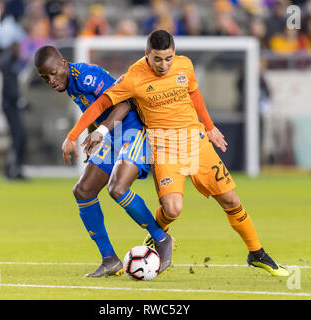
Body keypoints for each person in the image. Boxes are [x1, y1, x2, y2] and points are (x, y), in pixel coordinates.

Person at [62, 30, 289, 277]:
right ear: (147, 54)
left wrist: (210, 127)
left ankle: (257, 254)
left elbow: (194, 94)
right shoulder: (134, 77)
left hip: (196, 142)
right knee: (172, 209)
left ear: (174, 53)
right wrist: (76, 135)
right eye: (157, 59)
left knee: (231, 200)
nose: (164, 64)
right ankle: (159, 237)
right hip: (164, 146)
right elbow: (103, 103)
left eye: (168, 58)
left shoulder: (185, 66)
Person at [34, 45, 173, 277]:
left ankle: (161, 238)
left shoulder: (87, 76)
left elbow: (123, 103)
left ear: (63, 63)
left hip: (132, 131)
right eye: (44, 77)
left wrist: (100, 132)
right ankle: (110, 259)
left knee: (117, 189)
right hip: (110, 137)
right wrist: (95, 137)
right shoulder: (70, 85)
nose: (51, 80)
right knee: (83, 190)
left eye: (53, 73)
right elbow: (93, 110)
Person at [0, 42, 27, 180]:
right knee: (17, 137)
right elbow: (10, 89)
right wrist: (20, 100)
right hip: (10, 106)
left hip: (13, 105)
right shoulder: (8, 64)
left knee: (20, 137)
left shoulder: (13, 64)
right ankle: (11, 170)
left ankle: (16, 169)